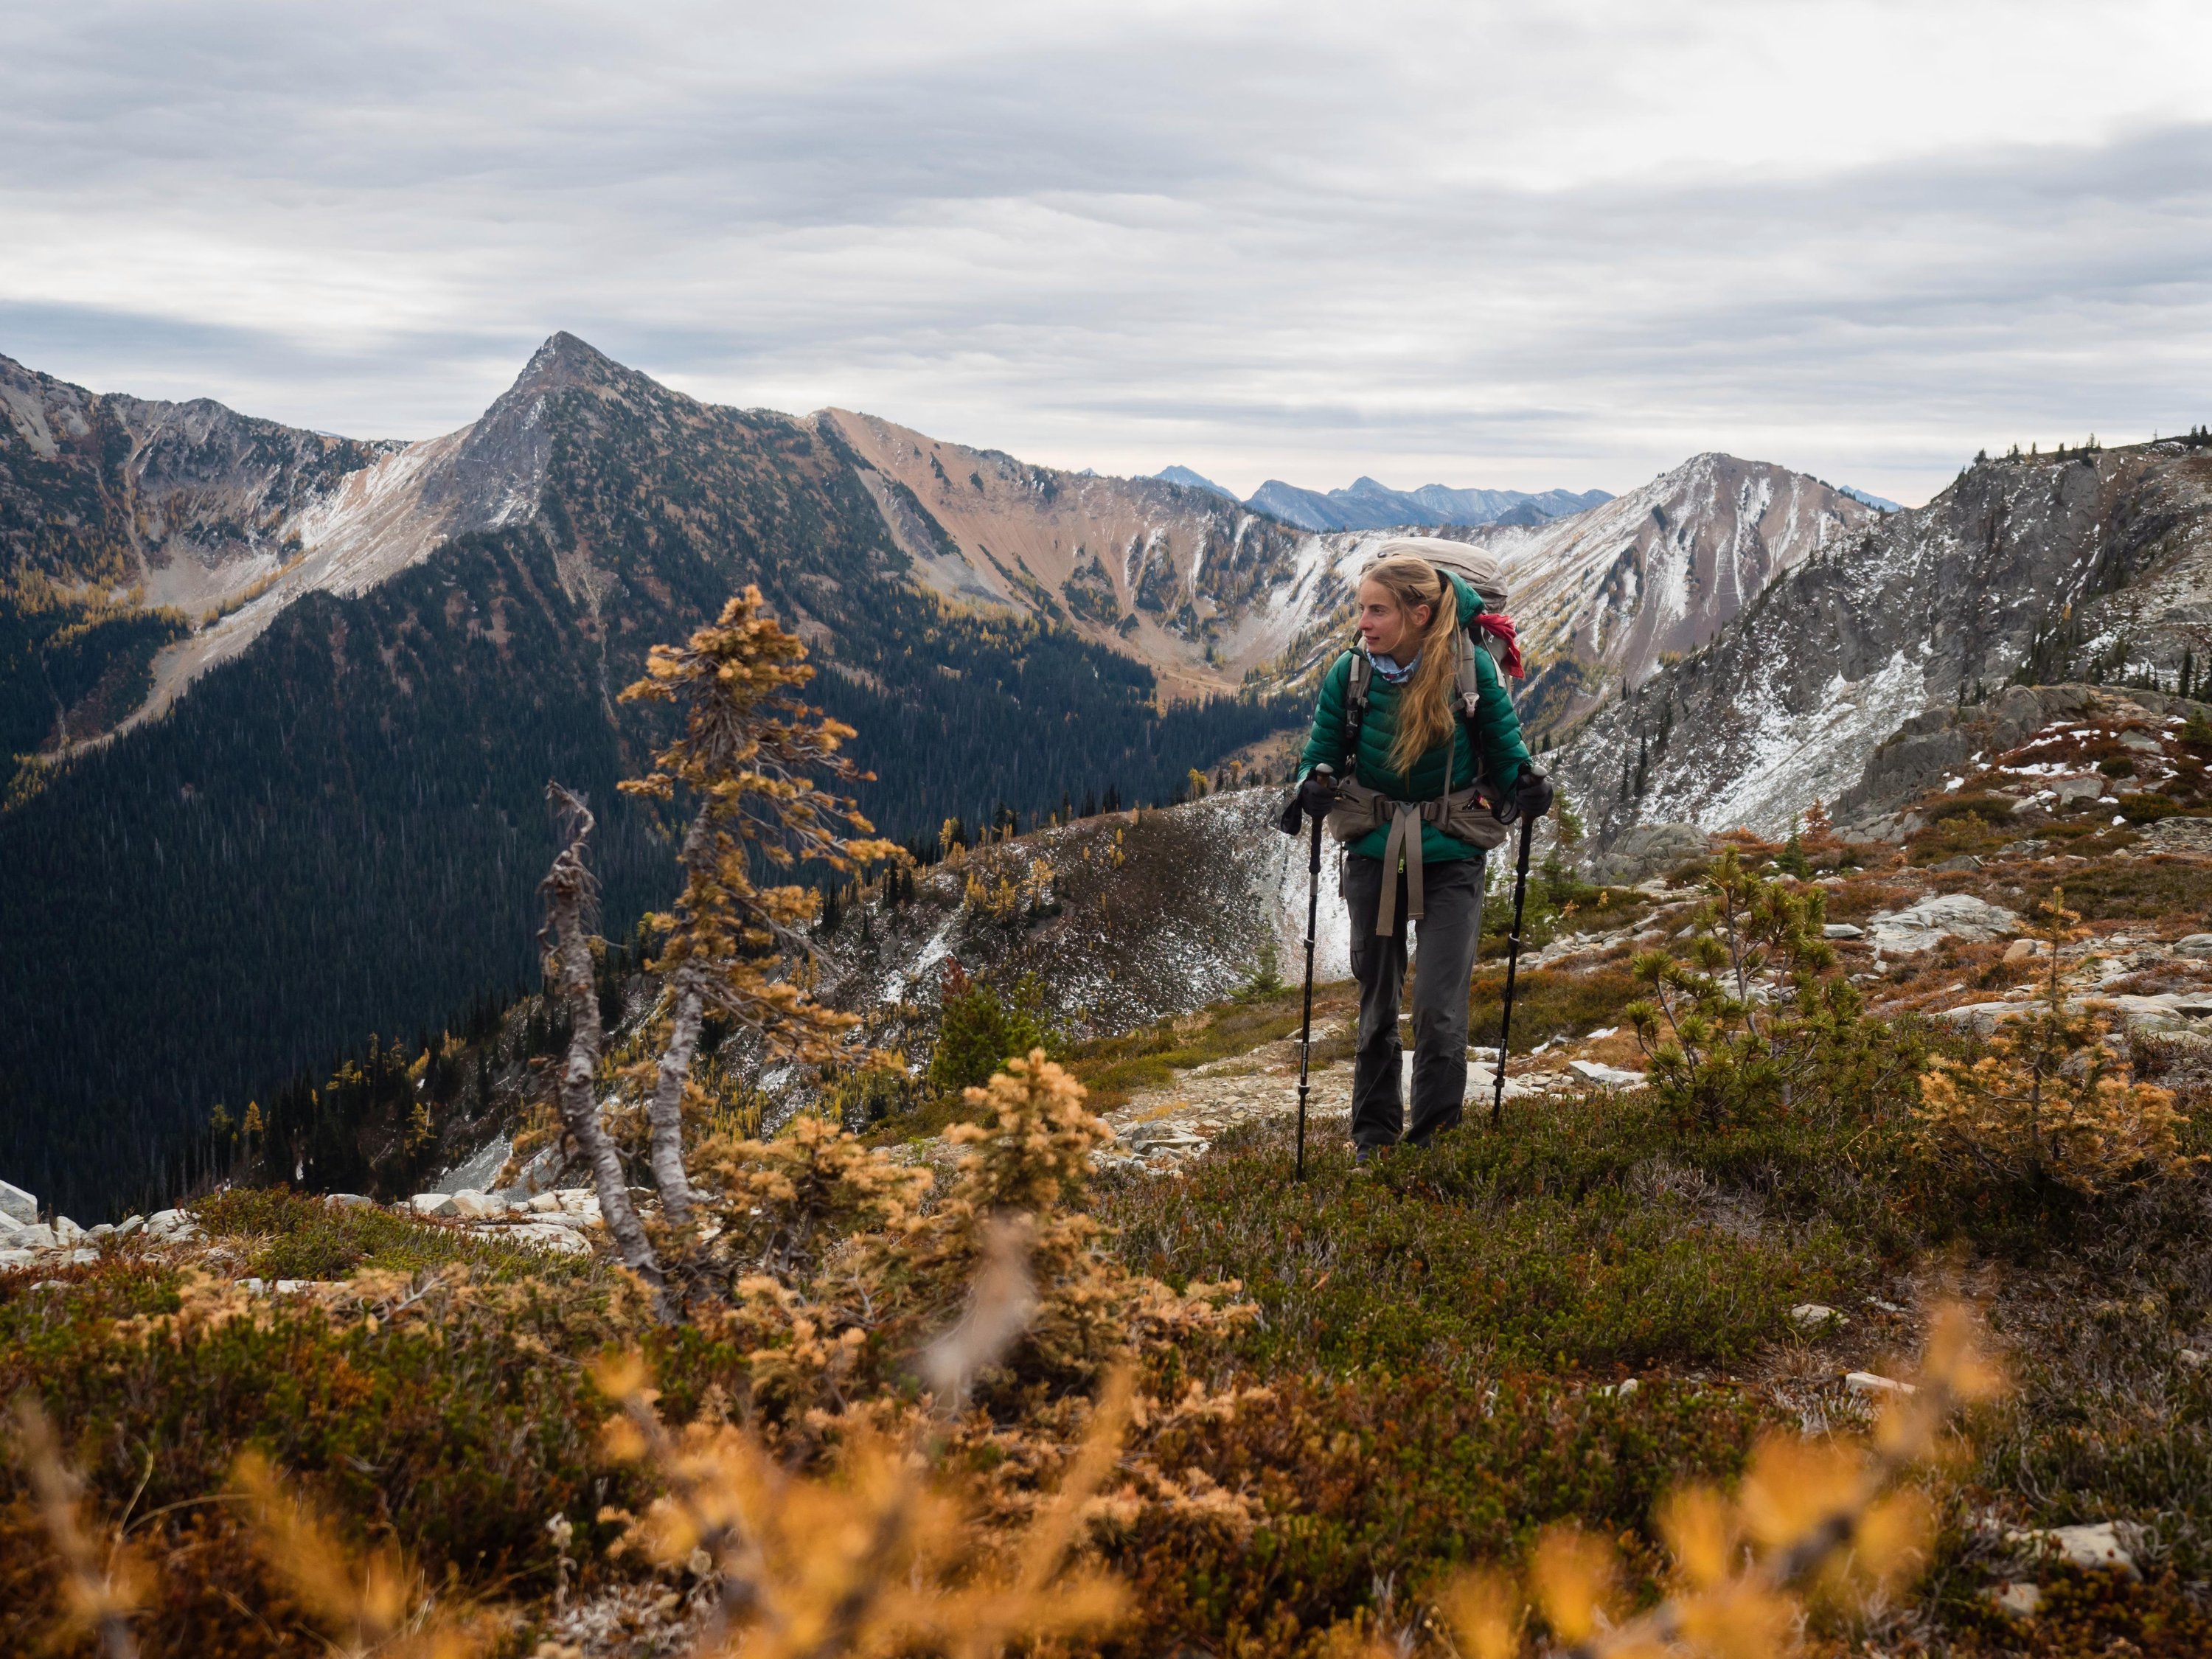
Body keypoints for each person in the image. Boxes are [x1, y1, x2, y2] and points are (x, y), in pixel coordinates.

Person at [1293, 551, 1551, 1164]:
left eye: (1376, 610)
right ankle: (1373, 1142)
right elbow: (1320, 752)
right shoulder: (1349, 675)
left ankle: (1436, 1143)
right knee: (1377, 1004)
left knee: (1438, 1007)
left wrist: (1527, 783)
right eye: (1362, 608)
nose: (1364, 622)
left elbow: (1508, 753)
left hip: (1452, 853)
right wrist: (1314, 779)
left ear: (1420, 613)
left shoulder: (1472, 672)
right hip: (1375, 853)